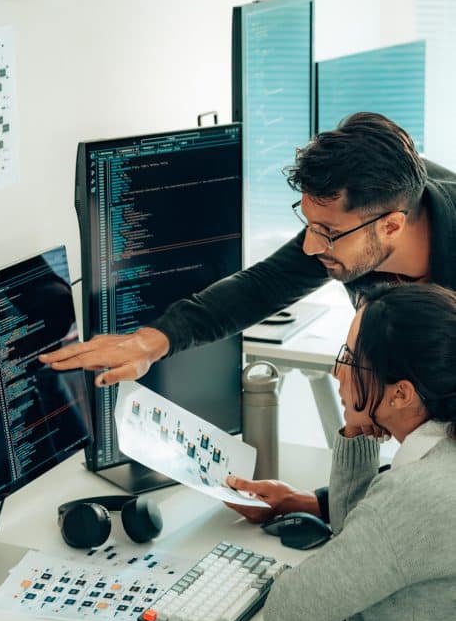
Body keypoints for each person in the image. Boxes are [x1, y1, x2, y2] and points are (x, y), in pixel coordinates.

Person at [39, 112, 456, 520]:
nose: (311, 247)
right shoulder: (359, 223)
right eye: (309, 223)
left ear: (392, 226)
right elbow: (263, 286)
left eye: (326, 233)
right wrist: (152, 341)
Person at [238, 282, 456, 621]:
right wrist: (358, 429)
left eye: (350, 361)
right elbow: (359, 536)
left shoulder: (415, 498)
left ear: (402, 393)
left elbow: (290, 617)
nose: (338, 372)